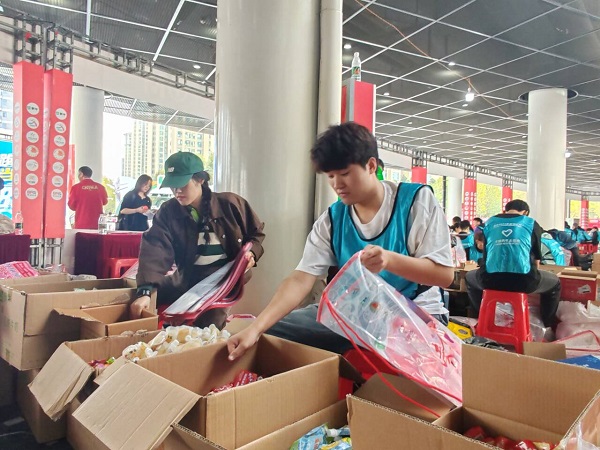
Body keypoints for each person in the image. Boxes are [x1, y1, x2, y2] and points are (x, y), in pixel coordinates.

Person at [227, 122, 454, 360]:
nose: (337, 184)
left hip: (416, 315)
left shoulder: (416, 202)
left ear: (371, 166)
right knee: (273, 332)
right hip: (359, 314)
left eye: (345, 174)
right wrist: (255, 329)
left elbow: (444, 275)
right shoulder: (332, 220)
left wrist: (389, 260)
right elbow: (301, 279)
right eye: (330, 176)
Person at [129, 152, 265, 329]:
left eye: (182, 184)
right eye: (173, 186)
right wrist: (145, 291)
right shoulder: (169, 211)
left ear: (200, 179)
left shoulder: (230, 204)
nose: (177, 191)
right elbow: (155, 247)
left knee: (206, 328)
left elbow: (256, 234)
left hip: (222, 282)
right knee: (136, 297)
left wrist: (252, 253)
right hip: (187, 278)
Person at [465, 200, 560, 327]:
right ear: (525, 212)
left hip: (489, 281)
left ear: (506, 210)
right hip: (524, 283)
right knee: (555, 283)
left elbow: (486, 256)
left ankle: (481, 319)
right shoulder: (530, 223)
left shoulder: (490, 223)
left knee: (469, 277)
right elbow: (536, 259)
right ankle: (547, 326)